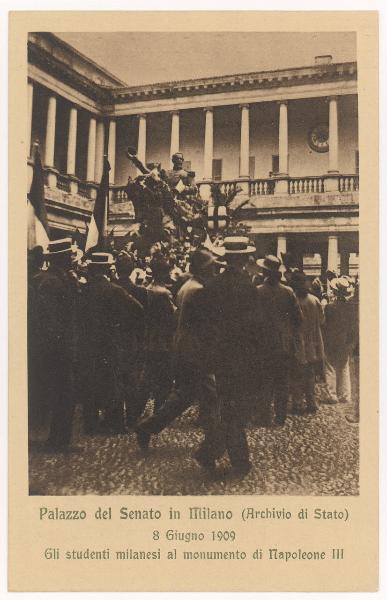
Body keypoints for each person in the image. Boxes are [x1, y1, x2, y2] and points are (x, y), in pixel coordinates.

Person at [135, 248, 220, 467]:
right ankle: (210, 449)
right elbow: (204, 326)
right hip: (195, 352)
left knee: (183, 397)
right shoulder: (198, 290)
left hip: (183, 349)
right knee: (210, 398)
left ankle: (147, 427)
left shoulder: (186, 287)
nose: (214, 270)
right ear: (203, 268)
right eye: (211, 266)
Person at [199, 236, 262, 477]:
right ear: (244, 259)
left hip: (220, 358)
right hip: (244, 358)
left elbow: (203, 325)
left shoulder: (212, 286)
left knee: (228, 406)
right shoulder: (249, 288)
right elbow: (256, 328)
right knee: (239, 410)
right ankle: (237, 459)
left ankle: (211, 452)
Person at [82, 252, 145, 433]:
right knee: (112, 381)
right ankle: (115, 423)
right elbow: (137, 308)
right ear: (108, 269)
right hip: (109, 342)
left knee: (90, 382)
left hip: (88, 342)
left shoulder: (82, 289)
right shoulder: (114, 290)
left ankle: (91, 424)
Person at [31, 238, 81, 451]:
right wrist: (63, 346)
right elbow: (51, 320)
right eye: (69, 256)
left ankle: (60, 440)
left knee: (65, 394)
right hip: (56, 348)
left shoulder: (61, 278)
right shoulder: (50, 282)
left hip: (62, 345)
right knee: (61, 394)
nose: (72, 259)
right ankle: (56, 441)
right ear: (61, 258)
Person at [255, 255, 303, 426]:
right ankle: (280, 416)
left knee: (264, 381)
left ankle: (264, 416)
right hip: (284, 344)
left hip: (263, 344)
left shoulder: (258, 291)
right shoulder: (288, 292)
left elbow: (253, 320)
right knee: (282, 382)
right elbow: (298, 318)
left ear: (264, 271)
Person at [142, 257, 176, 414]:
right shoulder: (164, 293)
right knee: (164, 379)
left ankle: (136, 411)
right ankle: (159, 411)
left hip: (149, 338)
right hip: (163, 341)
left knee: (148, 377)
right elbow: (173, 315)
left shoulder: (146, 289)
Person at [289, 271, 325, 414]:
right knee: (311, 375)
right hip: (314, 342)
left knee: (297, 374)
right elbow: (322, 320)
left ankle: (297, 404)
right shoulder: (314, 300)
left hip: (298, 342)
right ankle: (311, 403)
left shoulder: (293, 301)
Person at [322, 276, 355, 405]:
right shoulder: (350, 307)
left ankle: (332, 395)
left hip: (331, 341)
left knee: (330, 367)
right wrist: (351, 342)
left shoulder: (330, 307)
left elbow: (325, 325)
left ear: (335, 292)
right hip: (345, 341)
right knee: (344, 367)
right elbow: (353, 326)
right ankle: (345, 395)